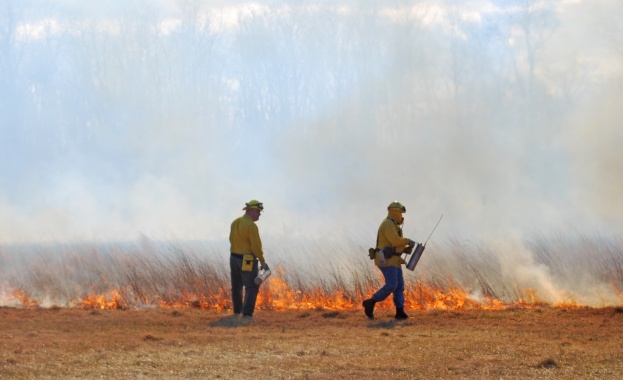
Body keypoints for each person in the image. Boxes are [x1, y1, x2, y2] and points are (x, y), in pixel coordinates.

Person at [362, 201, 415, 320]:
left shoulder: (394, 225)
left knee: (399, 287)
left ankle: (400, 312)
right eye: (401, 213)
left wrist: (405, 249)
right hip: (386, 260)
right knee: (392, 285)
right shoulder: (388, 224)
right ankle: (370, 302)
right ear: (395, 212)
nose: (402, 216)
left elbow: (394, 244)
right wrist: (407, 242)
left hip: (394, 260)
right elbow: (395, 240)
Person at [229, 199, 269, 318]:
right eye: (258, 211)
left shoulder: (235, 222)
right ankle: (247, 313)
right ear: (251, 211)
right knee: (251, 286)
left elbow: (231, 239)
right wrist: (262, 260)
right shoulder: (251, 226)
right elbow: (256, 246)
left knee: (236, 285)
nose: (259, 214)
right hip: (247, 260)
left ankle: (237, 310)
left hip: (233, 257)